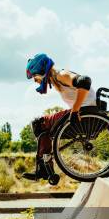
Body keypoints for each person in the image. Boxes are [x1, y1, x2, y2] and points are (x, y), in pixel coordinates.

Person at [22, 53, 96, 183]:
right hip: (84, 113)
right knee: (44, 129)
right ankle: (45, 166)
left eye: (34, 76)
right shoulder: (56, 81)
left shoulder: (61, 75)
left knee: (39, 123)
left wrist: (74, 111)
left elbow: (84, 81)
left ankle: (44, 169)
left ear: (41, 71)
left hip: (83, 114)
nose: (34, 80)